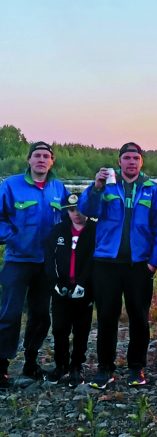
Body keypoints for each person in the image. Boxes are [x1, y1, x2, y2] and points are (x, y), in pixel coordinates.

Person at [79, 142, 157, 389]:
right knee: (107, 317)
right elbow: (87, 210)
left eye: (135, 158)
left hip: (139, 265)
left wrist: (154, 262)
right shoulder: (107, 185)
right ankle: (104, 369)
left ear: (141, 162)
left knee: (139, 318)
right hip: (106, 263)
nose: (131, 162)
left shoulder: (153, 190)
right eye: (126, 158)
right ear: (119, 162)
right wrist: (96, 186)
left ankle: (136, 368)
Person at [0, 142, 69, 387]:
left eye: (46, 156)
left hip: (45, 263)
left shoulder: (58, 188)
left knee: (41, 315)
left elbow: (70, 218)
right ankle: (2, 366)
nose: (41, 159)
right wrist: (10, 235)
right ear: (29, 160)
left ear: (52, 161)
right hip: (18, 261)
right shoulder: (10, 185)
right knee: (9, 314)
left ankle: (31, 362)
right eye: (37, 155)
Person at [43, 193, 96, 387]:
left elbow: (94, 261)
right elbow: (49, 259)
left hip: (84, 289)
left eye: (80, 209)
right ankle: (61, 365)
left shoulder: (94, 231)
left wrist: (83, 283)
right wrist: (55, 283)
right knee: (59, 329)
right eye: (72, 210)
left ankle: (76, 366)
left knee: (81, 330)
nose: (76, 214)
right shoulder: (58, 231)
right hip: (61, 289)